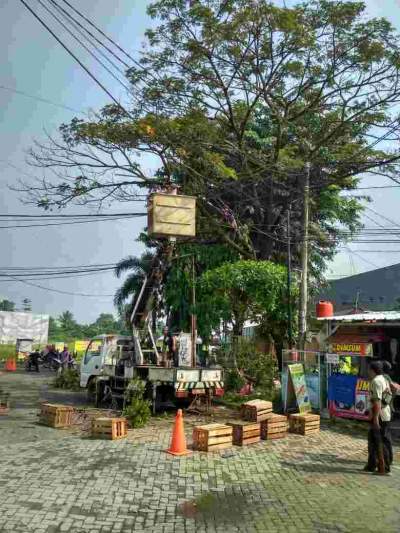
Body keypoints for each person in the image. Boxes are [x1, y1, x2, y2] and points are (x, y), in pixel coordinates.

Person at [364, 360, 392, 475]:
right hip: (383, 414)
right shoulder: (383, 379)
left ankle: (384, 467)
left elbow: (377, 401)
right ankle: (372, 464)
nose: (368, 372)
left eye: (369, 369)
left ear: (373, 370)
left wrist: (375, 417)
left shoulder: (376, 381)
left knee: (379, 442)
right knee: (373, 440)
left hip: (379, 415)